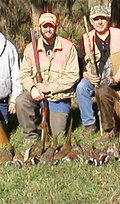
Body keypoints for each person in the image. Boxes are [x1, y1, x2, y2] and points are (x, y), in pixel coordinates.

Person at [16, 12, 79, 142]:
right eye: (45, 26)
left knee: (58, 137)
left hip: (58, 96)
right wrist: (32, 88)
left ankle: (55, 120)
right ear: (40, 28)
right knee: (21, 101)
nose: (48, 29)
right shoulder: (30, 49)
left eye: (51, 26)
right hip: (36, 95)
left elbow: (73, 76)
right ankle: (30, 137)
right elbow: (24, 74)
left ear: (56, 27)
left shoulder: (68, 47)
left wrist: (49, 88)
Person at [76, 5, 120, 136]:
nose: (100, 22)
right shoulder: (86, 38)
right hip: (95, 80)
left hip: (115, 79)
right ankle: (89, 124)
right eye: (96, 19)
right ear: (91, 21)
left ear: (108, 19)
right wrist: (86, 74)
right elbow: (80, 64)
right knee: (81, 88)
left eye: (103, 18)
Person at [0, 32, 23, 125]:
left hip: (1, 101)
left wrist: (14, 100)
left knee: (2, 137)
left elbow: (18, 77)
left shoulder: (9, 48)